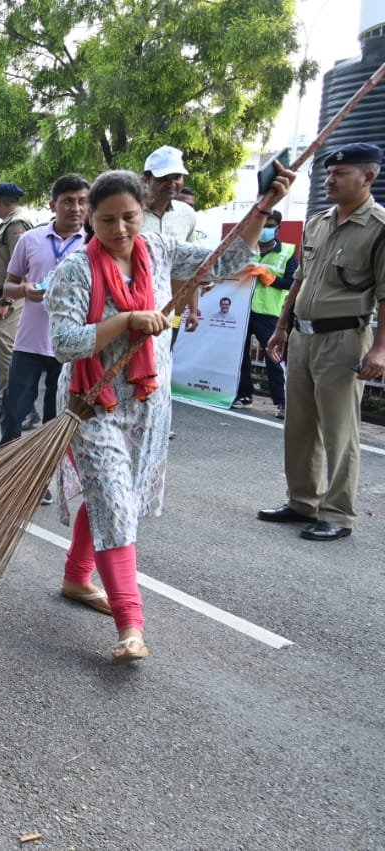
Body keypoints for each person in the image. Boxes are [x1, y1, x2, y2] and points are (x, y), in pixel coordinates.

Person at [47, 165, 292, 663]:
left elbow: (230, 260)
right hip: (93, 401)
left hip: (147, 400)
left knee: (115, 496)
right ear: (90, 218)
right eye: (108, 220)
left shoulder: (158, 251)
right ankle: (130, 625)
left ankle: (77, 577)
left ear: (144, 215)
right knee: (114, 502)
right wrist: (126, 320)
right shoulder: (74, 271)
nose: (119, 230)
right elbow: (65, 343)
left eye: (129, 218)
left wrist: (262, 206)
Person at [261, 142, 385, 542]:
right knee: (299, 427)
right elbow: (299, 281)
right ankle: (302, 501)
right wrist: (282, 327)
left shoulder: (379, 228)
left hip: (345, 339)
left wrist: (380, 349)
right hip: (303, 336)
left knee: (339, 431)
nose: (330, 180)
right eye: (328, 174)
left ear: (368, 177)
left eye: (341, 173)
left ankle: (337, 513)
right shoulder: (317, 222)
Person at [0, 174, 91, 479]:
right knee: (13, 412)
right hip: (30, 342)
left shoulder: (95, 245)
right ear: (53, 205)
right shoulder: (30, 240)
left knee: (56, 418)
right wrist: (24, 290)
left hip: (70, 347)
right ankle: (6, 472)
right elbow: (7, 286)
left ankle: (41, 479)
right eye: (68, 201)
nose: (75, 208)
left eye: (82, 201)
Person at [0, 182, 35, 423]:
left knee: (10, 356)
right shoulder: (10, 222)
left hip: (8, 298)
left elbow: (20, 265)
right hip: (4, 295)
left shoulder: (16, 225)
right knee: (4, 355)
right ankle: (6, 403)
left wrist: (7, 301)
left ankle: (26, 409)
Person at [233, 210, 296, 416]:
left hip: (268, 312)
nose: (265, 230)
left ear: (278, 227)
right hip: (242, 310)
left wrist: (271, 278)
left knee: (273, 356)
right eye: (263, 225)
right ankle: (243, 395)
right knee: (240, 355)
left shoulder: (286, 252)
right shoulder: (248, 248)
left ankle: (283, 402)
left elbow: (293, 282)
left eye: (270, 226)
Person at [141, 145, 200, 344]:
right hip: (132, 310)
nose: (171, 184)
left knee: (162, 364)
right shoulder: (129, 212)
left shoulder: (187, 214)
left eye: (176, 177)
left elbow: (190, 266)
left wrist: (193, 309)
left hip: (170, 310)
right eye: (163, 178)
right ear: (146, 179)